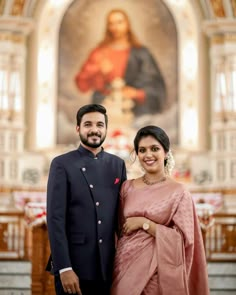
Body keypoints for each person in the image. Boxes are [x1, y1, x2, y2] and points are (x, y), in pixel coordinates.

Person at [111, 125, 210, 295]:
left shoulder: (179, 192)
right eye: (142, 150)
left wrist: (145, 223)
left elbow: (183, 240)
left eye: (154, 149)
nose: (148, 155)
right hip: (123, 266)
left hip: (157, 272)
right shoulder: (127, 188)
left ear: (165, 152)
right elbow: (118, 229)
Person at [46, 104, 127, 295]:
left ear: (106, 129)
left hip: (108, 267)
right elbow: (55, 220)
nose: (94, 130)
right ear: (78, 128)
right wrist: (64, 268)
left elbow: (120, 216)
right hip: (74, 266)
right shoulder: (61, 164)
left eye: (100, 124)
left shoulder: (118, 165)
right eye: (88, 124)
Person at [75, 9, 166, 117]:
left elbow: (155, 85)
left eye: (119, 22)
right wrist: (98, 69)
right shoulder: (99, 53)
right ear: (108, 27)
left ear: (127, 24)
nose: (115, 27)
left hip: (135, 110)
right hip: (105, 107)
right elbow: (81, 84)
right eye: (111, 24)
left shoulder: (141, 53)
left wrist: (136, 93)